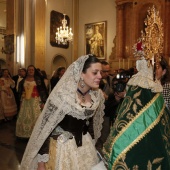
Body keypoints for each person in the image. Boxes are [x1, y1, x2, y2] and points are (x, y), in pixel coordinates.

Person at [20, 55, 105, 170]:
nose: (100, 76)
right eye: (95, 73)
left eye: (101, 72)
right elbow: (44, 129)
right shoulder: (63, 96)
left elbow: (91, 126)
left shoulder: (96, 95)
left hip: (86, 146)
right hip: (64, 148)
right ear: (81, 73)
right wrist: (41, 163)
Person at [103, 39, 170, 169]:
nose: (154, 68)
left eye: (156, 65)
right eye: (152, 64)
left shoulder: (153, 87)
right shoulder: (141, 85)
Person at [16, 65, 48, 138]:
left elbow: (43, 91)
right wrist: (20, 101)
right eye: (29, 70)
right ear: (27, 71)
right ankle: (24, 133)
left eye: (32, 70)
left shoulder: (38, 79)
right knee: (24, 116)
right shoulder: (23, 81)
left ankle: (36, 135)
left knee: (36, 116)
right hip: (25, 101)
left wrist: (43, 102)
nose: (31, 71)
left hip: (35, 101)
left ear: (34, 71)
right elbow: (20, 92)